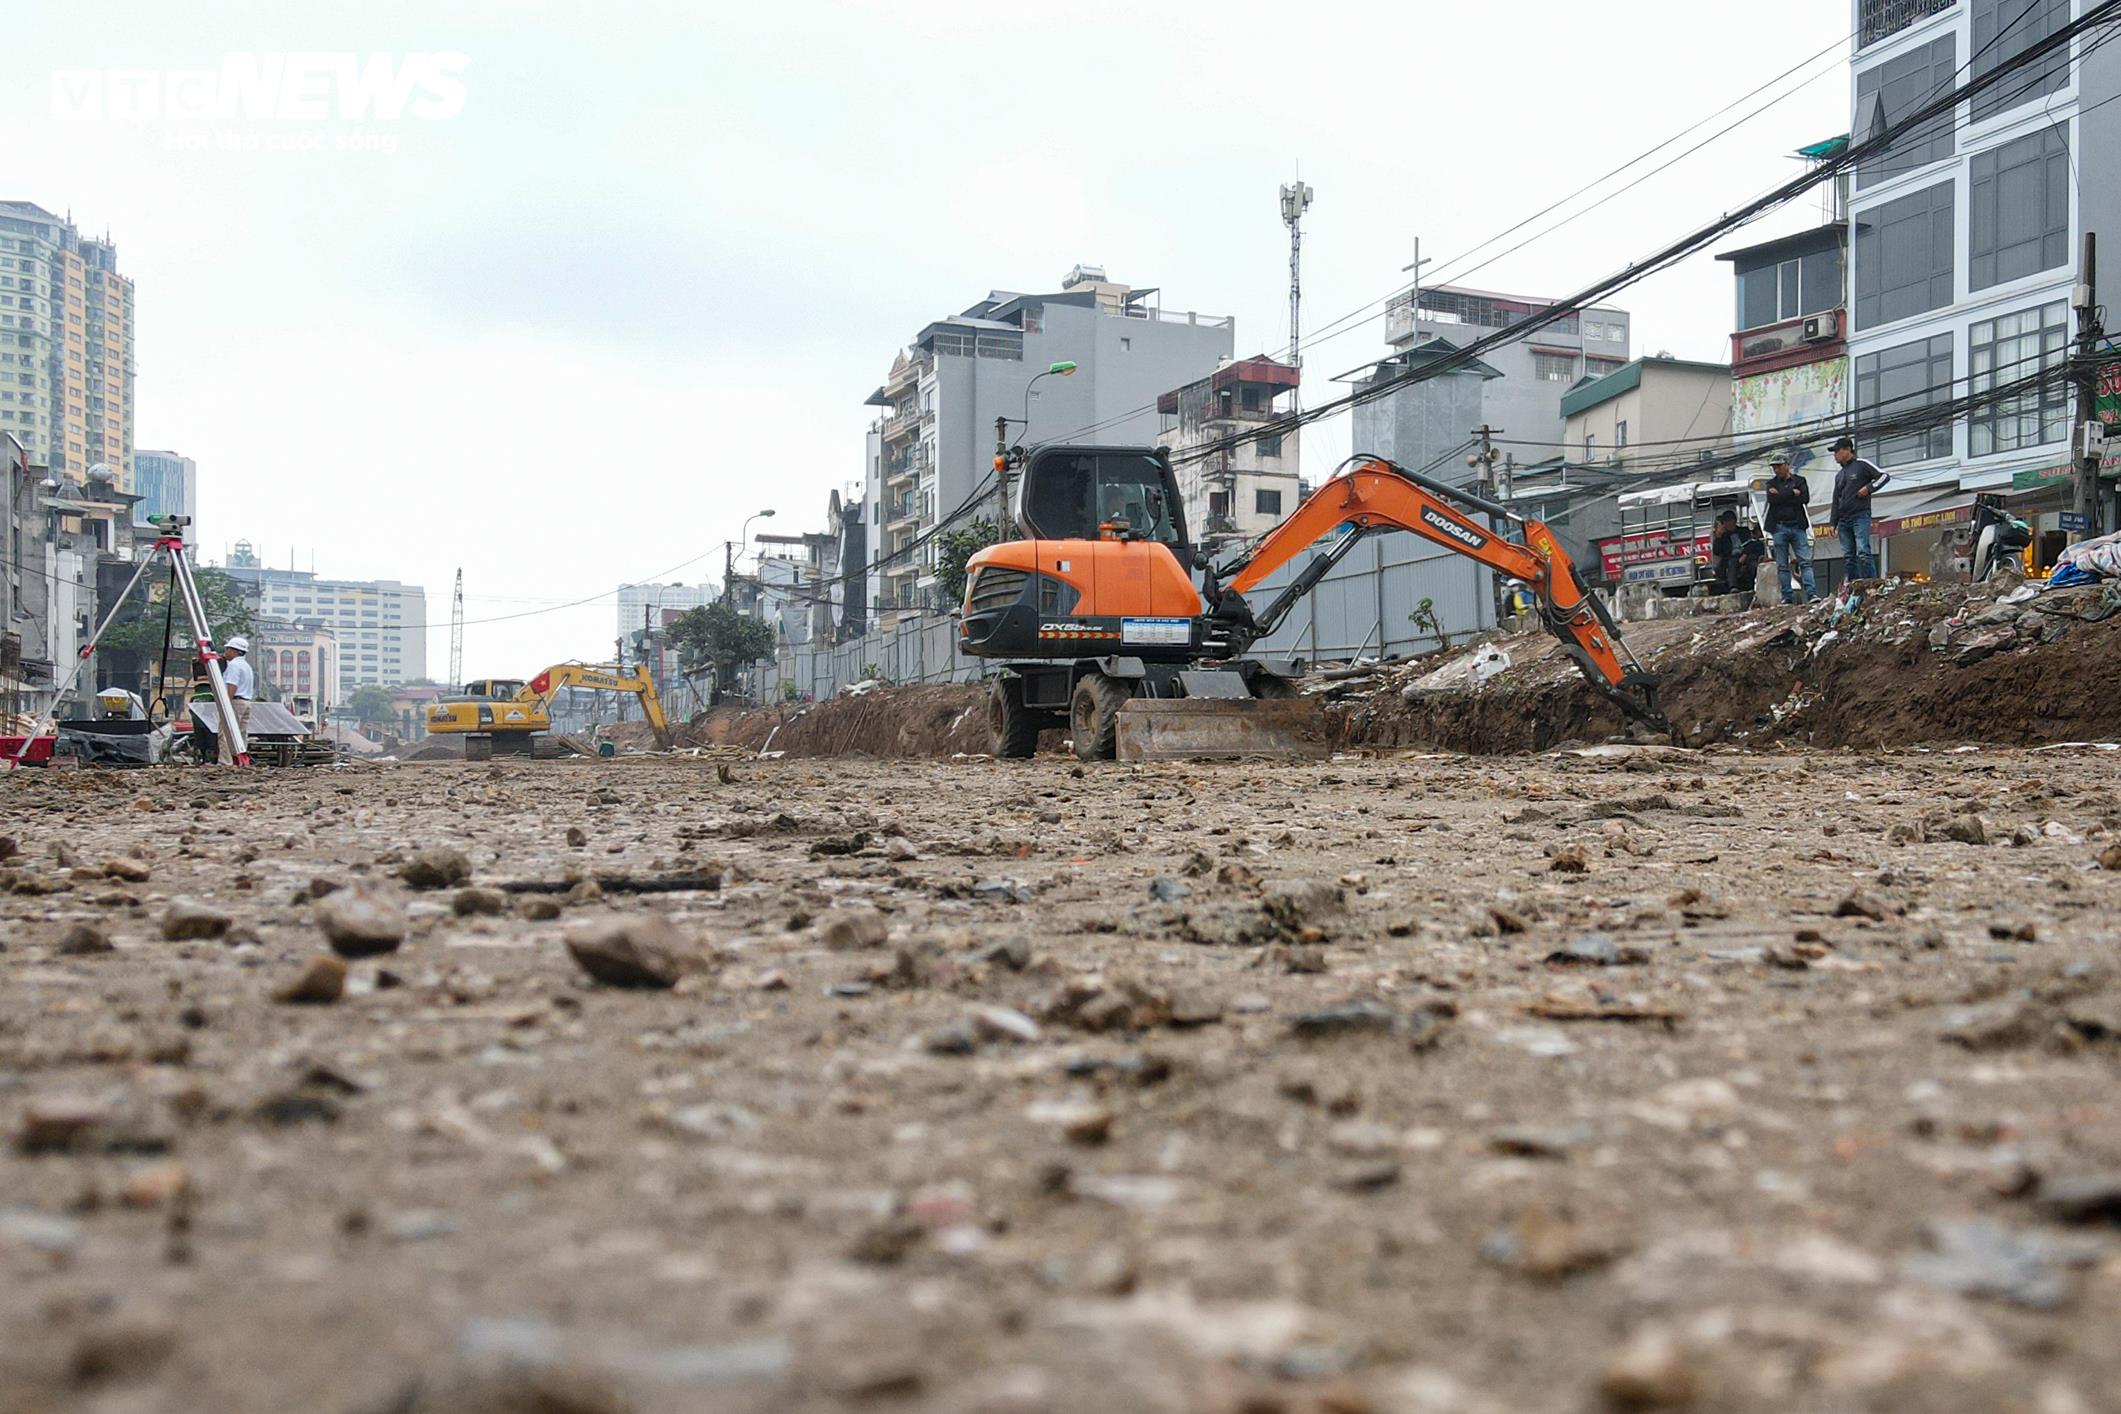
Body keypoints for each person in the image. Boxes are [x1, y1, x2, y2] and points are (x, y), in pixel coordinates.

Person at [1828, 435, 1890, 581]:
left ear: (1848, 450)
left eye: (1837, 451)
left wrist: (1868, 488)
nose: (1835, 455)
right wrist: (1832, 523)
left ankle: (1871, 581)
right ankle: (1853, 583)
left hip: (1860, 515)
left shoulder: (1861, 465)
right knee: (1848, 555)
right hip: (1843, 519)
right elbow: (1836, 500)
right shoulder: (1839, 475)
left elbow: (1884, 476)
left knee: (1863, 550)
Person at [1761, 452, 1815, 605]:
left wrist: (1783, 495)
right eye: (1774, 467)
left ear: (1786, 466)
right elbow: (1773, 499)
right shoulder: (1771, 484)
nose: (1776, 470)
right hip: (1779, 527)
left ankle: (1811, 594)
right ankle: (1787, 597)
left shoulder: (1800, 480)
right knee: (1782, 565)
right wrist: (1792, 493)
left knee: (1805, 562)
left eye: (1778, 466)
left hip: (1798, 526)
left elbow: (1804, 498)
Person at [217, 634, 255, 765]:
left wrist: (225, 704)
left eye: (227, 649)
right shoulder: (247, 666)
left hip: (236, 702)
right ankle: (240, 762)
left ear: (234, 651)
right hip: (246, 702)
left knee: (225, 733)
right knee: (240, 735)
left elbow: (232, 685)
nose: (225, 652)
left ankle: (225, 763)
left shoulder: (234, 665)